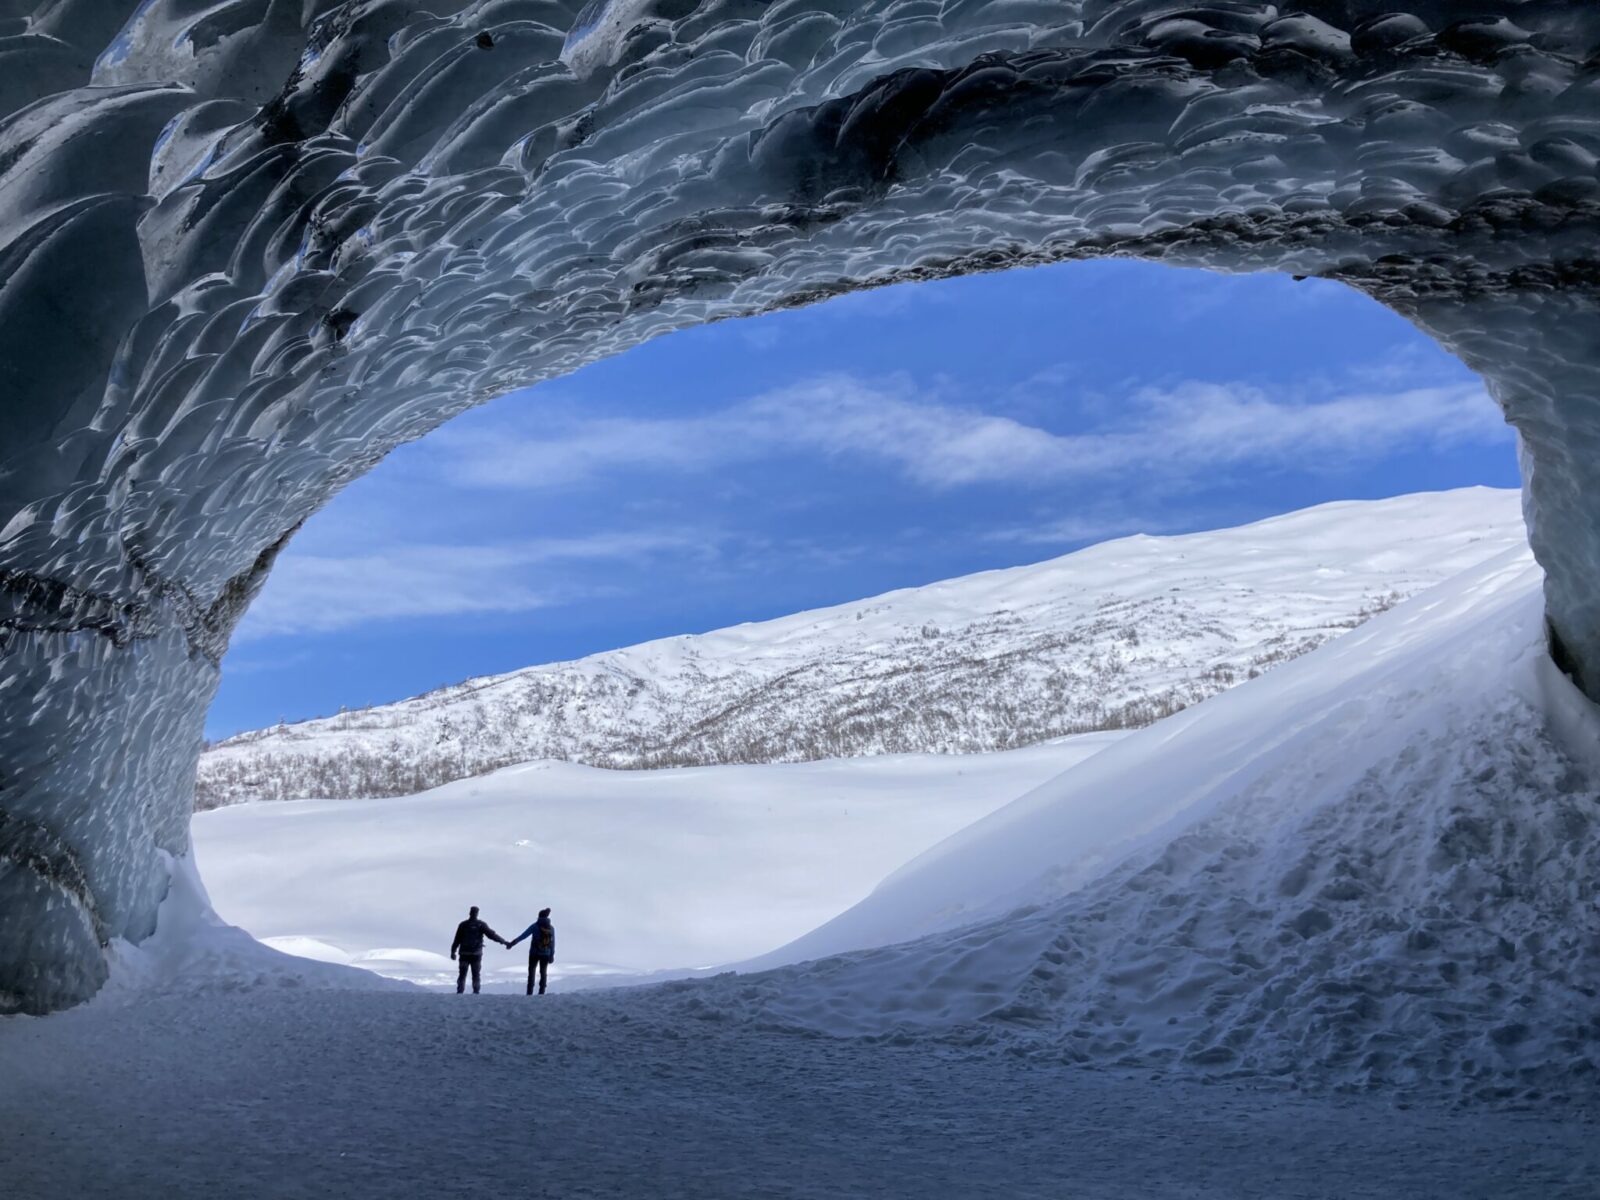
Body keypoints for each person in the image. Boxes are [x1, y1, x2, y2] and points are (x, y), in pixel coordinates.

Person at [450, 905, 509, 994]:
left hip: (464, 953)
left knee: (462, 974)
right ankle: (476, 992)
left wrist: (453, 952)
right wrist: (504, 942)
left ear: (470, 913)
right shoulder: (481, 924)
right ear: (477, 914)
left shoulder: (463, 925)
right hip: (476, 953)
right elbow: (492, 935)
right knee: (476, 974)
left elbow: (457, 939)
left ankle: (460, 992)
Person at [507, 908, 556, 995]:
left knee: (531, 972)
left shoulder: (535, 926)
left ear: (539, 916)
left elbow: (523, 936)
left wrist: (512, 943)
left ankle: (529, 992)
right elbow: (552, 943)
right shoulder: (551, 928)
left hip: (534, 953)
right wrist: (552, 955)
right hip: (546, 953)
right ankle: (542, 992)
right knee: (543, 972)